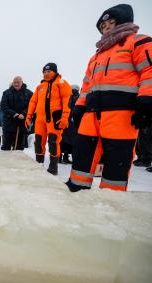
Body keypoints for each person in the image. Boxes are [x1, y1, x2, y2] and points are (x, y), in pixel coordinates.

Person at [66, 4, 152, 192]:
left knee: (117, 158)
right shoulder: (97, 55)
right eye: (102, 26)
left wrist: (146, 101)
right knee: (82, 154)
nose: (106, 28)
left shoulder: (138, 42)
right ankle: (76, 191)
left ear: (123, 22)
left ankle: (112, 201)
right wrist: (79, 106)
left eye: (110, 23)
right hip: (92, 113)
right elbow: (87, 84)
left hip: (122, 113)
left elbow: (149, 70)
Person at [25, 63, 72, 175]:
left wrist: (65, 117)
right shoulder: (40, 86)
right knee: (38, 142)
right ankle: (39, 164)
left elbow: (67, 100)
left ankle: (53, 167)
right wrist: (28, 116)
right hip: (40, 120)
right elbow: (33, 102)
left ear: (55, 71)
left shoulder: (62, 83)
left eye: (48, 71)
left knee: (53, 142)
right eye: (44, 72)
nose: (46, 74)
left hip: (54, 119)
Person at [0, 76, 32, 151]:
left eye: (18, 82)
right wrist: (14, 114)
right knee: (6, 145)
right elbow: (3, 106)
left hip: (21, 123)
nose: (16, 84)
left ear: (22, 82)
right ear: (12, 83)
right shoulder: (6, 93)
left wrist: (23, 114)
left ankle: (17, 161)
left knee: (19, 146)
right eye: (15, 82)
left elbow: (31, 106)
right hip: (9, 122)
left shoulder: (29, 93)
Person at [59, 85, 80, 164]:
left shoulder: (66, 96)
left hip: (64, 120)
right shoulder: (78, 97)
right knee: (71, 140)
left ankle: (59, 156)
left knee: (62, 139)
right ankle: (66, 157)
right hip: (73, 121)